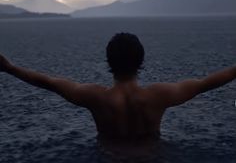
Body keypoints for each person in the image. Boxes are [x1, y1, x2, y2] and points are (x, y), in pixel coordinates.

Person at [0, 32, 235, 141]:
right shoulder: (159, 96)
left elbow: (48, 82)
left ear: (109, 62)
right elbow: (206, 83)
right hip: (152, 162)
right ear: (141, 61)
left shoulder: (94, 97)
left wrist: (9, 68)